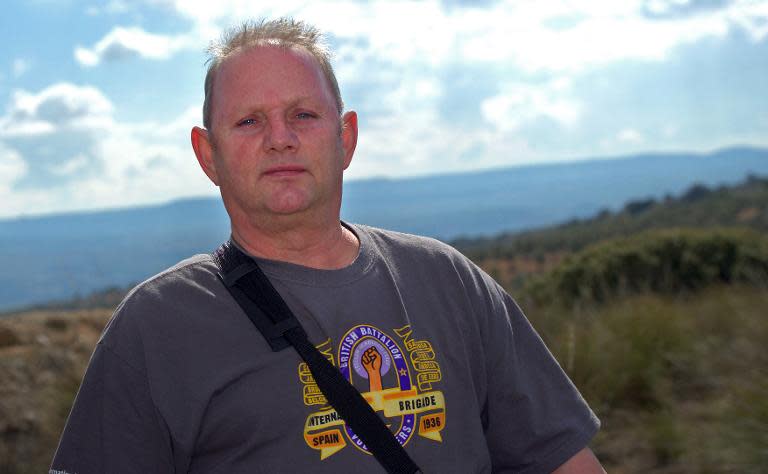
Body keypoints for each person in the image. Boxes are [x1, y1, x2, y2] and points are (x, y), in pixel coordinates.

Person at [51, 18, 604, 474]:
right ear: (208, 156)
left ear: (346, 138)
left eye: (303, 115)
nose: (280, 137)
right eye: (248, 121)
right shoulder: (157, 326)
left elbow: (563, 463)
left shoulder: (449, 281)